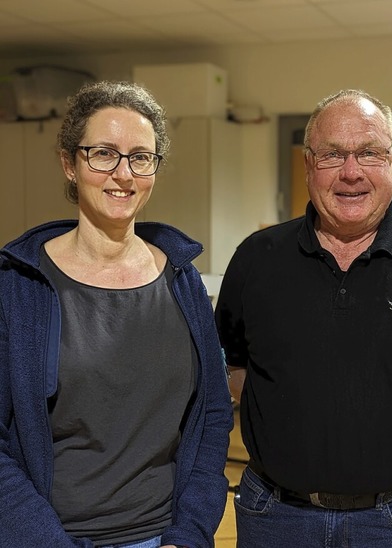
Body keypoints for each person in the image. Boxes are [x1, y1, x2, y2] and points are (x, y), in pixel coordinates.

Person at [215, 89, 392, 547]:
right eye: (332, 154)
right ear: (308, 164)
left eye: (369, 153)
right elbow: (235, 367)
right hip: (275, 515)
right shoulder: (257, 258)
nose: (351, 172)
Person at [0, 81, 233, 548]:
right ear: (69, 163)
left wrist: (187, 535)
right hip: (51, 538)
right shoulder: (18, 286)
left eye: (140, 157)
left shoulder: (182, 280)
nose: (123, 174)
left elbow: (211, 416)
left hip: (165, 538)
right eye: (103, 153)